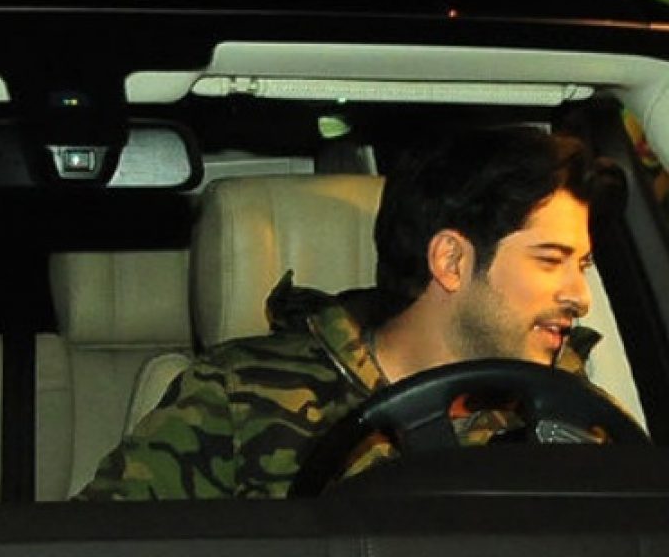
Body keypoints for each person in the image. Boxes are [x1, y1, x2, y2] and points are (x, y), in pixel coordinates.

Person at [77, 124, 629, 501]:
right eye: (550, 260)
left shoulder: (579, 420)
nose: (579, 296)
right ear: (452, 260)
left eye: (581, 265)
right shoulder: (240, 399)